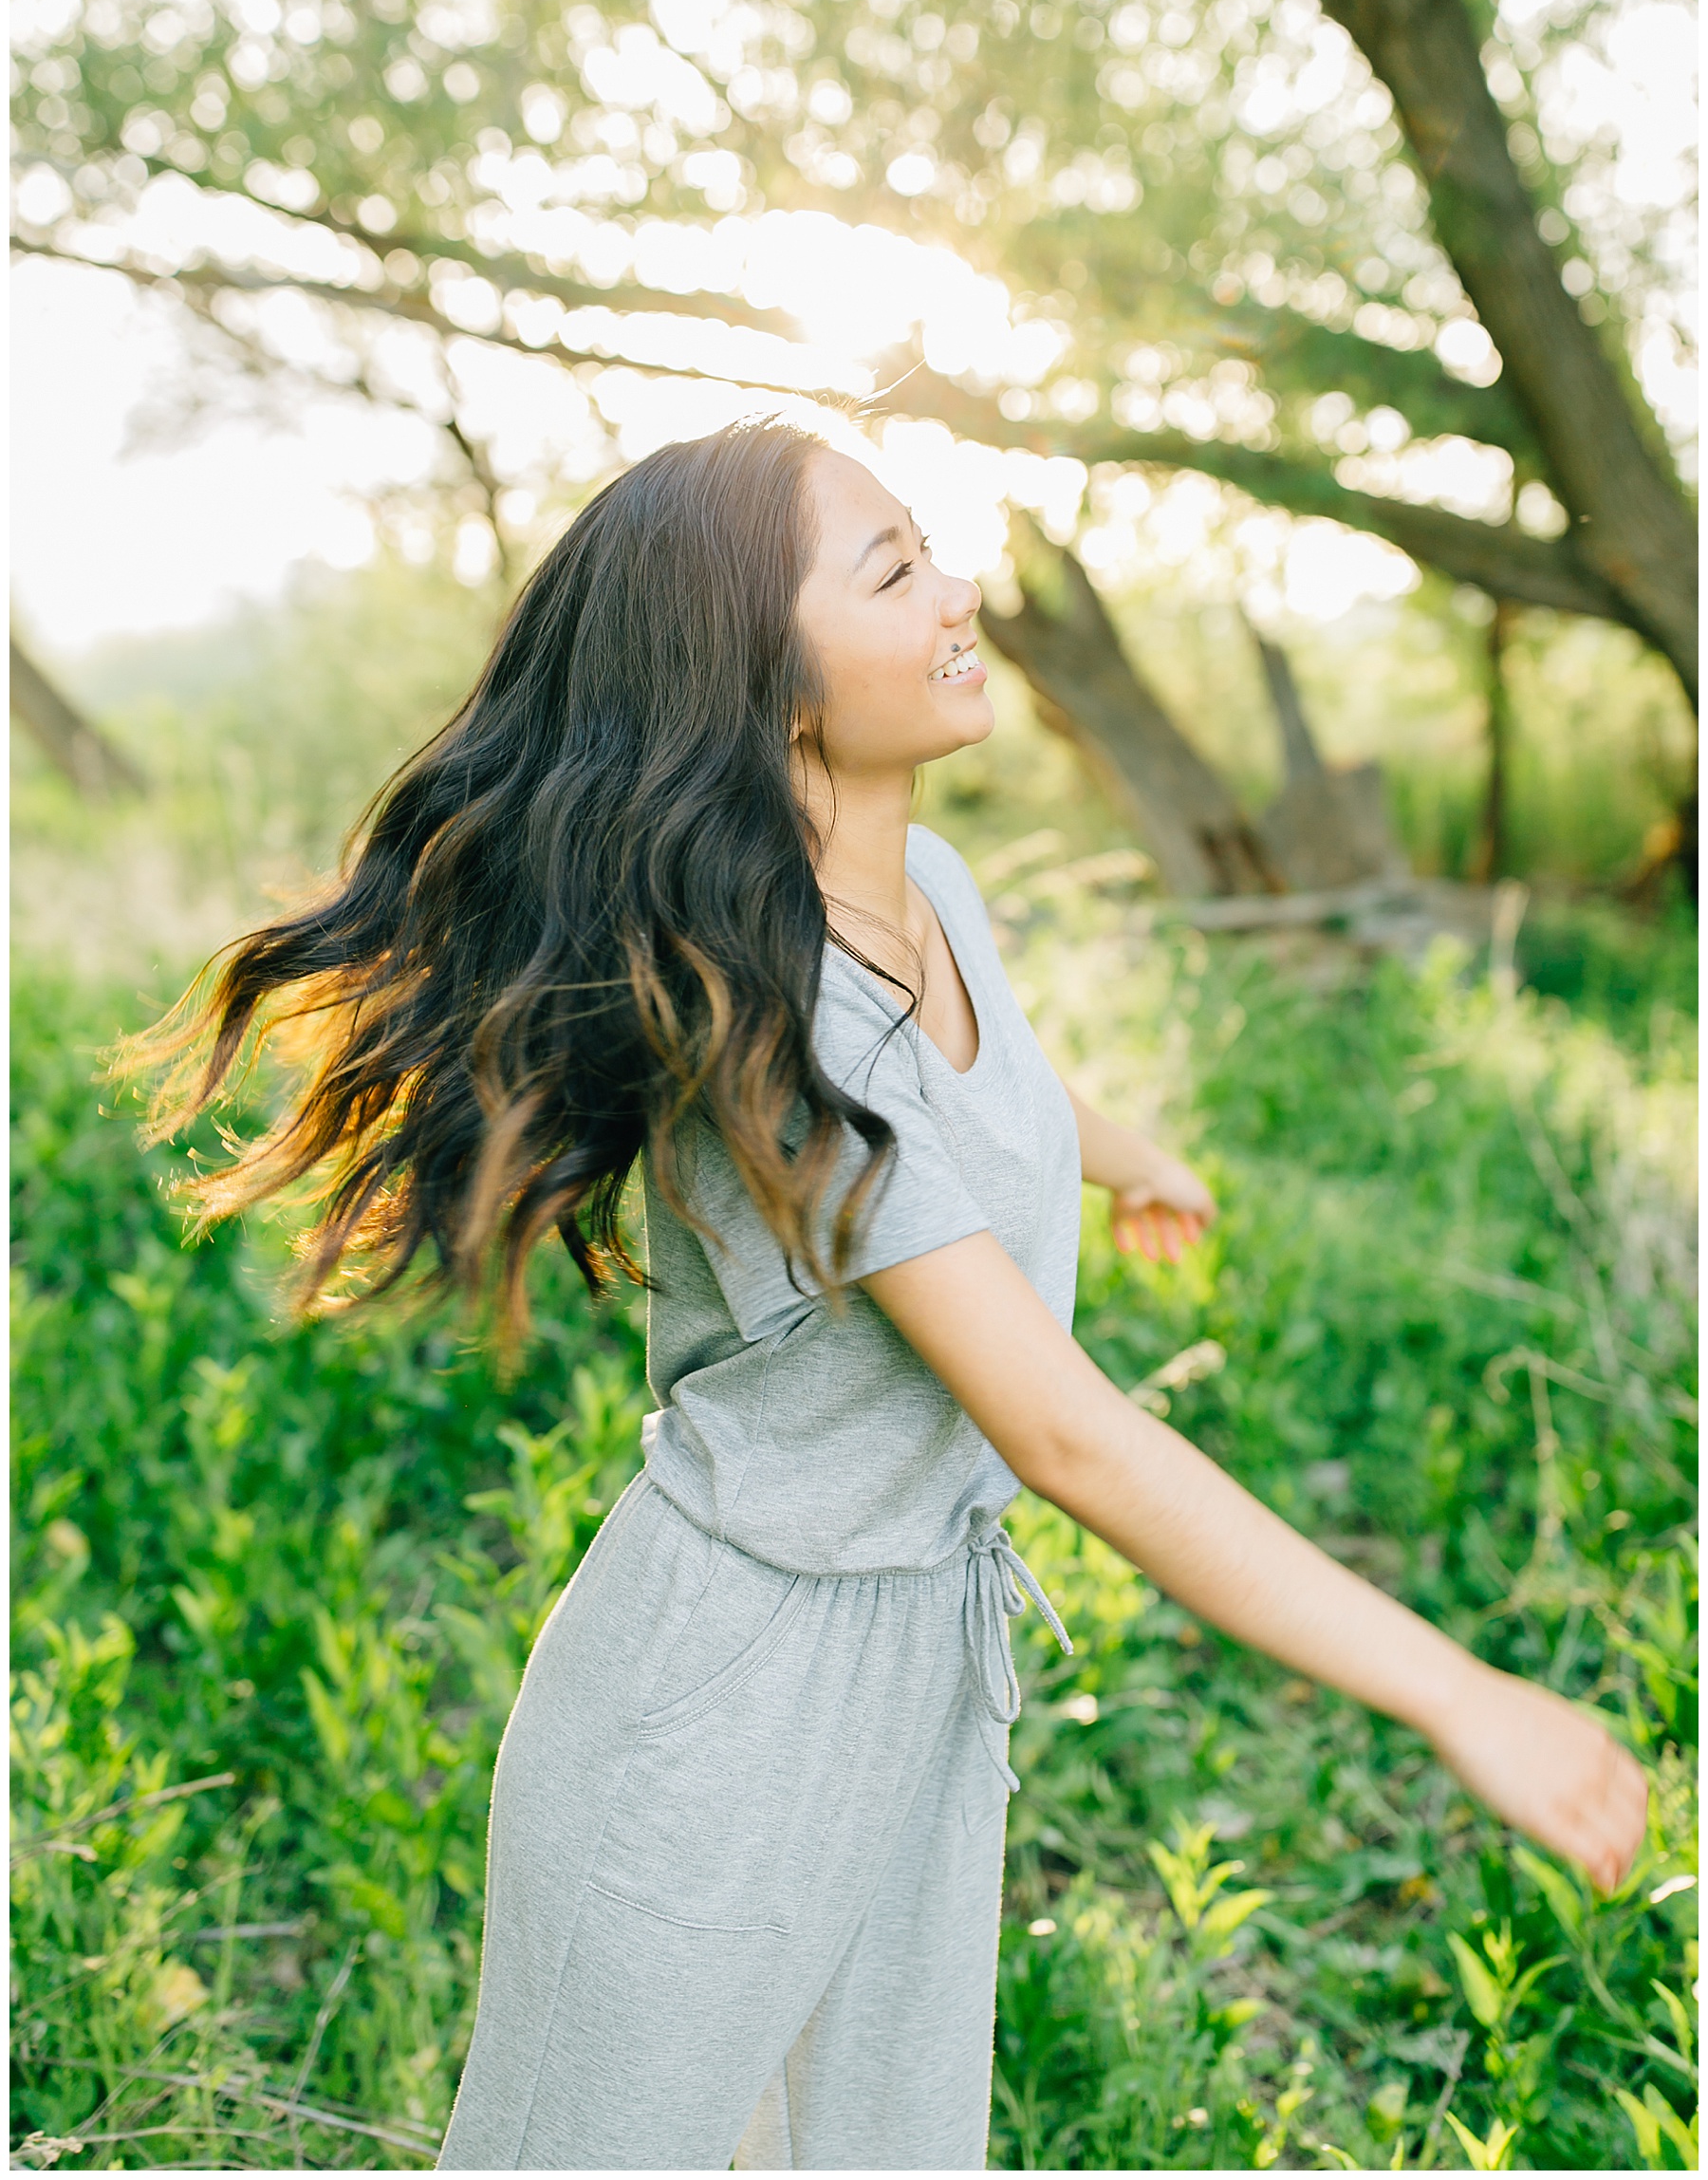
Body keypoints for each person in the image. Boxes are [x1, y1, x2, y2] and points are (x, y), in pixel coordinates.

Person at [128, 415, 1648, 2171]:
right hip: (716, 1705)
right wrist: (1456, 1692)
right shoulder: (772, 1034)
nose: (963, 590)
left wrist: (1123, 1150)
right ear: (769, 688)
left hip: (917, 1667)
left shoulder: (926, 887)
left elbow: (978, 1086)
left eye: (933, 547)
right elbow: (1071, 1438)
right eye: (894, 569)